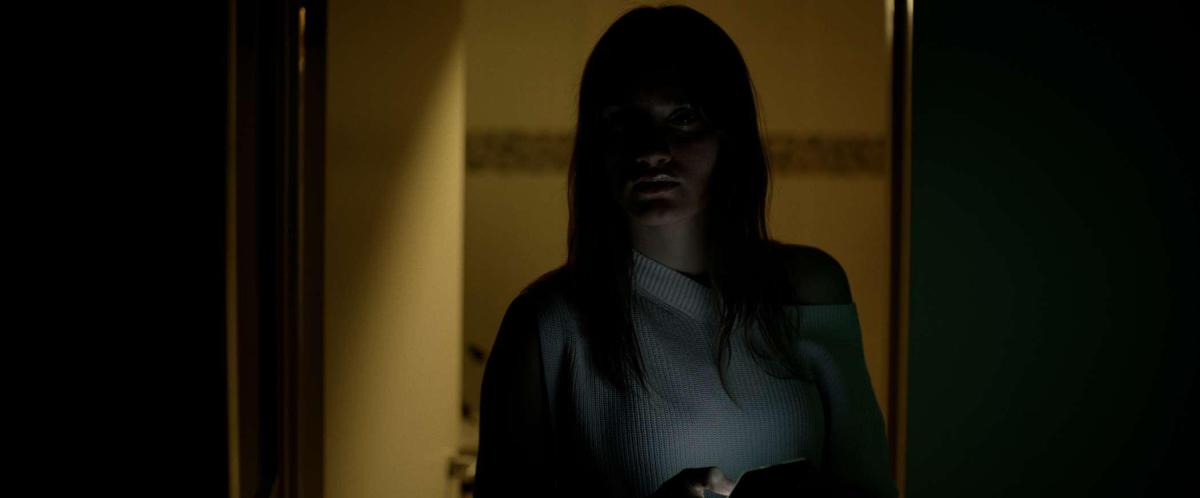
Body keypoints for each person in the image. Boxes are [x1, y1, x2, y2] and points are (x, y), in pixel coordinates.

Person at [474, 5, 896, 498]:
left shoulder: (810, 290)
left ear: (728, 136)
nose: (652, 149)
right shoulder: (546, 325)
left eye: (683, 117)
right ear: (595, 142)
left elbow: (872, 488)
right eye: (623, 121)